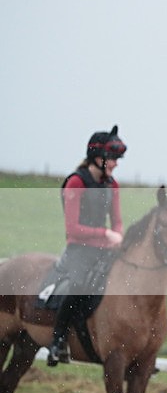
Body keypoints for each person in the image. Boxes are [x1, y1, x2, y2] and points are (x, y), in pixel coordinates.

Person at [47, 125, 126, 366]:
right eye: (111, 159)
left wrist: (118, 237)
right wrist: (106, 234)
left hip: (105, 250)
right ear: (96, 157)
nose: (115, 164)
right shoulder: (76, 183)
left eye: (116, 159)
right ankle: (57, 341)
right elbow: (73, 230)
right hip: (79, 250)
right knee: (79, 284)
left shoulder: (112, 185)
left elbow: (118, 222)